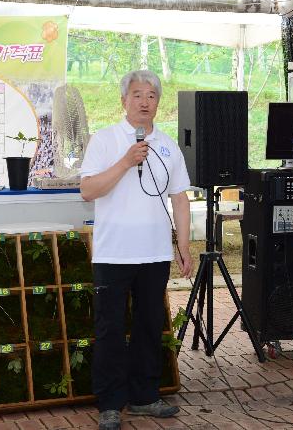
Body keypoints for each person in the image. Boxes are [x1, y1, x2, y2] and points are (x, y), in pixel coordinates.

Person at [80, 70, 193, 430]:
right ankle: (111, 403)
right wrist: (126, 162)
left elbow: (180, 198)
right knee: (110, 329)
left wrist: (184, 244)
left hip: (155, 252)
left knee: (149, 326)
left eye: (152, 95)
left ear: (158, 102)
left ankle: (145, 396)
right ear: (123, 100)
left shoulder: (168, 145)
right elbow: (88, 190)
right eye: (137, 94)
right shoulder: (105, 140)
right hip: (114, 253)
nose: (145, 102)